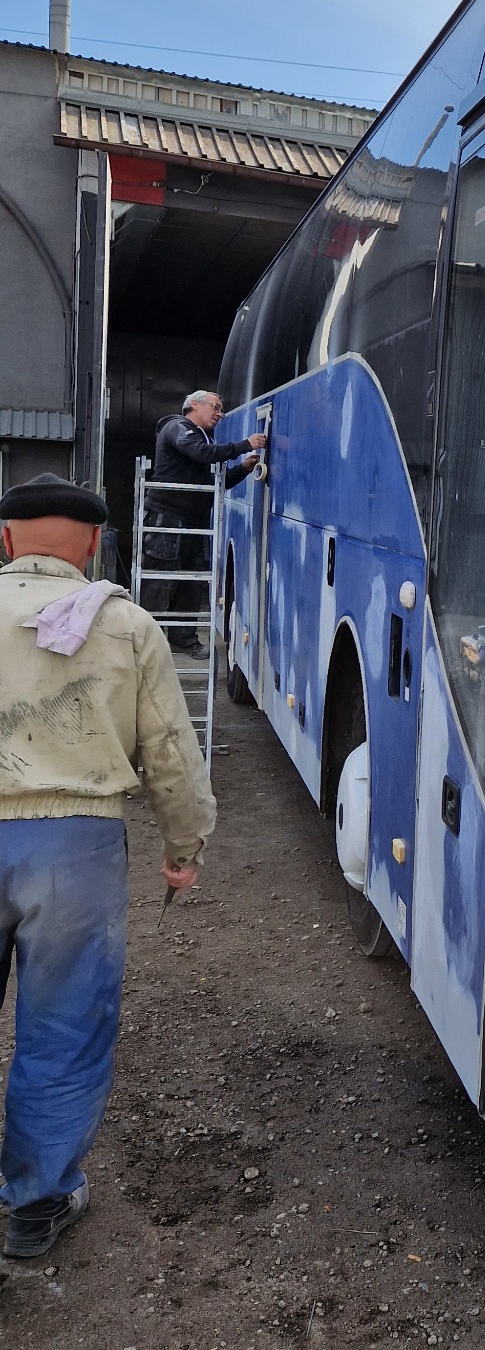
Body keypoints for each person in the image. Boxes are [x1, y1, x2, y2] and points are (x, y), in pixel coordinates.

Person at [0, 473, 216, 1260]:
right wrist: (183, 849)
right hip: (76, 849)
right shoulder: (124, 623)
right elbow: (171, 754)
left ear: (5, 540)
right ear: (93, 543)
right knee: (64, 1029)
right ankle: (35, 1206)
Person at [143, 390, 266, 650]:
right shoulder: (177, 428)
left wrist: (243, 469)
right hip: (168, 518)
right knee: (160, 582)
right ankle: (144, 643)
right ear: (195, 405)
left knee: (190, 581)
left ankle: (184, 640)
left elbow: (214, 483)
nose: (220, 414)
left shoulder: (202, 437)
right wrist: (244, 445)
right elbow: (202, 453)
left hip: (192, 519)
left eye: (221, 409)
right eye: (215, 407)